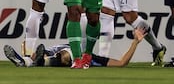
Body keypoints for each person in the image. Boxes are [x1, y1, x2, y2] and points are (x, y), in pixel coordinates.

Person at [4, 28, 147, 68]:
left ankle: (25, 61)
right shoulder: (70, 46)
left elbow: (122, 63)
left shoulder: (93, 58)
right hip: (61, 50)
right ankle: (30, 60)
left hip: (65, 54)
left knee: (63, 56)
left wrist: (135, 42)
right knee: (39, 54)